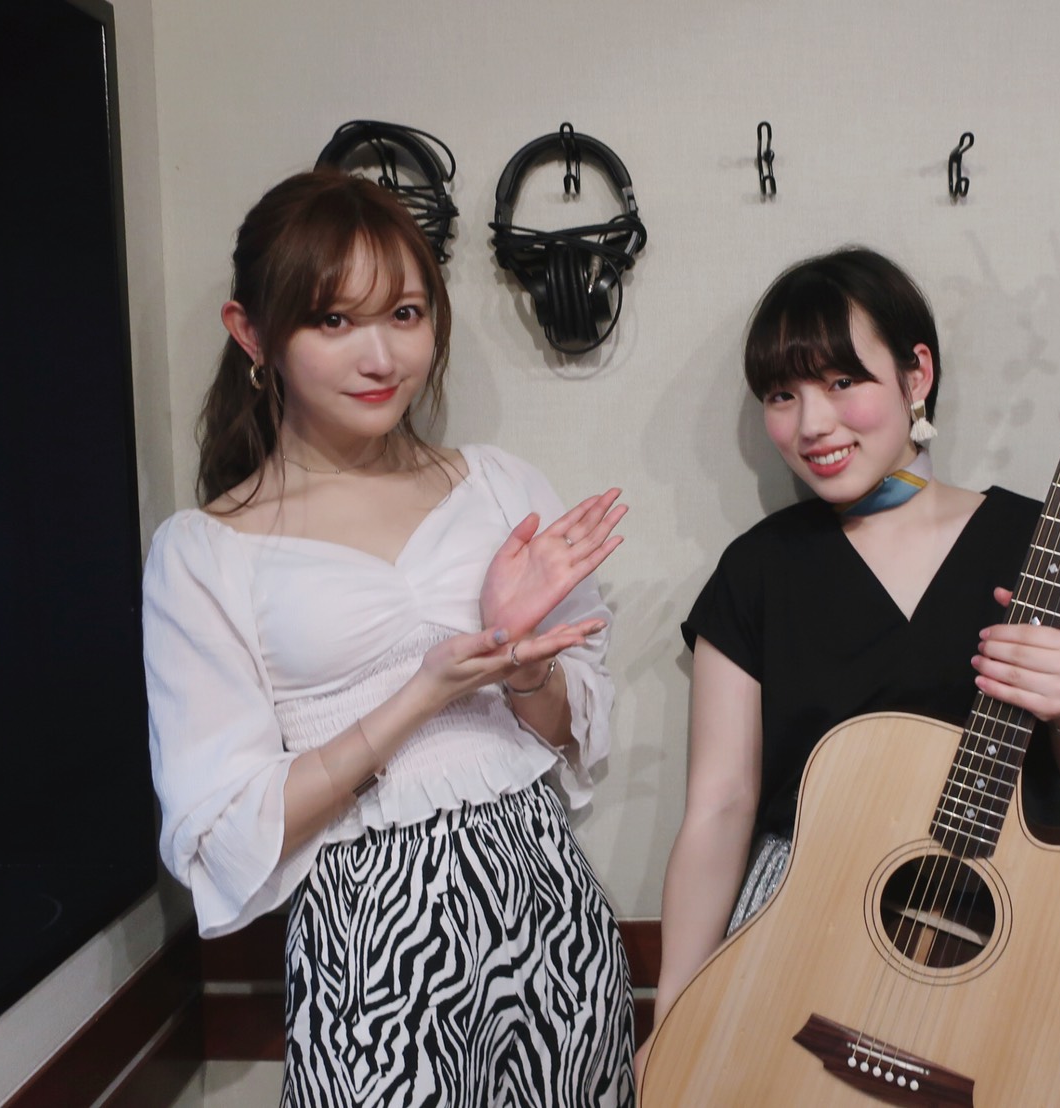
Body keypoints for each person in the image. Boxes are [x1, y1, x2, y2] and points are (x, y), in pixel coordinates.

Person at [142, 170, 635, 1107]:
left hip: (549, 906)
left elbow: (576, 729)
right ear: (252, 332)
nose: (381, 357)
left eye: (405, 314)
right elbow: (223, 830)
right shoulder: (203, 554)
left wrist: (521, 667)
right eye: (333, 321)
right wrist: (422, 694)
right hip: (370, 935)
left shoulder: (499, 488)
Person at [640, 247, 1060, 1073]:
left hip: (997, 959)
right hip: (794, 948)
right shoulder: (757, 571)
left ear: (917, 374)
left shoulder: (1040, 543)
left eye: (843, 382)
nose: (812, 424)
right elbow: (721, 808)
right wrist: (674, 1021)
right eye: (782, 394)